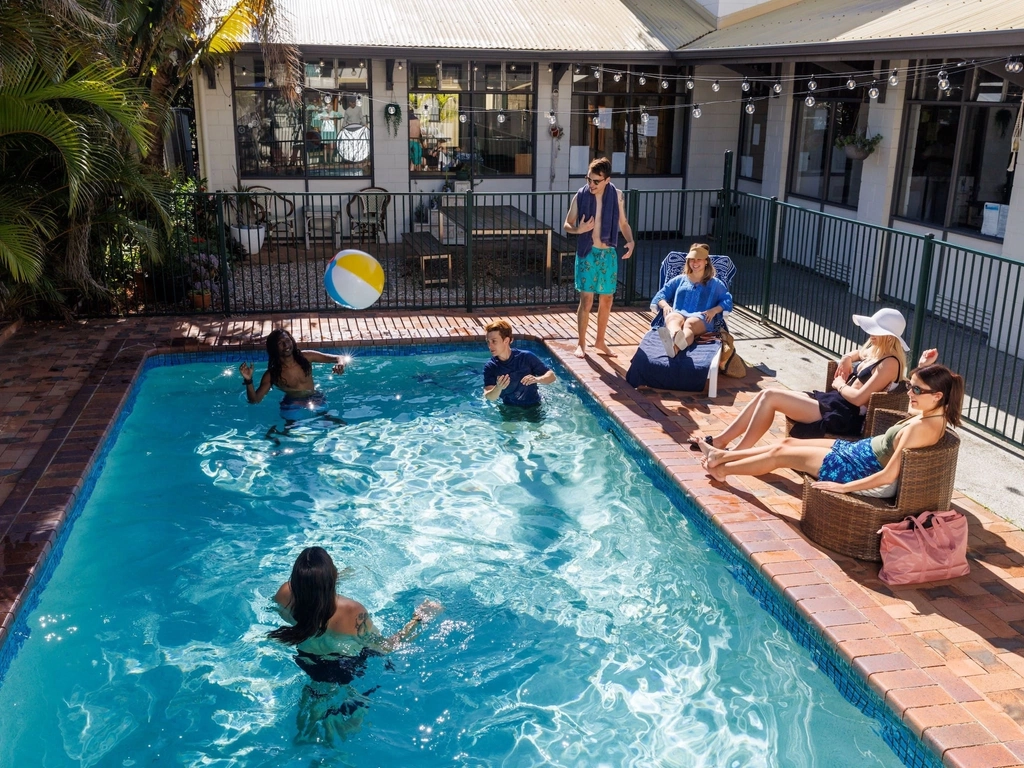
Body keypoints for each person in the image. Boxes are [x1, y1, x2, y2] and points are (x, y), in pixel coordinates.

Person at [699, 363, 962, 497]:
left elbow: (887, 475)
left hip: (856, 469)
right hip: (858, 452)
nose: (909, 393)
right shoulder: (931, 413)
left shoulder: (922, 427)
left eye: (916, 390)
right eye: (910, 387)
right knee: (787, 444)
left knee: (781, 454)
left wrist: (845, 489)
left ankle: (722, 468)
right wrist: (929, 364)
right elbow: (923, 398)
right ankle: (722, 456)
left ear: (938, 396)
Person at [692, 309, 938, 452]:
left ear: (886, 336)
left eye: (874, 332)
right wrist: (846, 358)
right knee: (764, 396)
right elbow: (856, 354)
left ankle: (735, 453)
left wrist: (840, 385)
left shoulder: (889, 363)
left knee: (771, 396)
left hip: (844, 415)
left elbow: (860, 398)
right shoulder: (876, 351)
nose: (869, 335)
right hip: (834, 403)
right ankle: (724, 441)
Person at [269, 547, 443, 744]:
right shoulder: (352, 611)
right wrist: (418, 619)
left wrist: (326, 581)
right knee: (343, 734)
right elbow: (386, 647)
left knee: (307, 727)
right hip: (345, 669)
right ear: (331, 577)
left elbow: (308, 601)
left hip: (307, 662)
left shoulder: (284, 593)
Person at [563, 157, 635, 358]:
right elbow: (567, 224)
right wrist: (579, 229)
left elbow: (624, 224)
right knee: (586, 300)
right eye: (589, 179)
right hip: (587, 253)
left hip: (608, 254)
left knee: (607, 299)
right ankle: (581, 344)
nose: (591, 184)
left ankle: (600, 342)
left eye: (596, 181)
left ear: (607, 180)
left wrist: (630, 241)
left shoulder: (617, 196)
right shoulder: (580, 195)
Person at [239, 329, 346, 424]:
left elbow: (339, 357)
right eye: (280, 343)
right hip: (292, 402)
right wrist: (248, 380)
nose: (286, 345)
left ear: (292, 341)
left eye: (287, 340)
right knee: (292, 431)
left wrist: (340, 364)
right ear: (274, 348)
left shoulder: (307, 357)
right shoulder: (272, 374)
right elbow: (255, 400)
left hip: (314, 397)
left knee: (329, 422)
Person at [649, 243, 732, 358]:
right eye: (692, 259)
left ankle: (674, 347)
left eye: (699, 259)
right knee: (672, 317)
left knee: (689, 323)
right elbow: (660, 295)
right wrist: (665, 306)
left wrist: (714, 310)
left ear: (706, 261)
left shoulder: (716, 283)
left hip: (702, 317)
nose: (695, 263)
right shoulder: (679, 280)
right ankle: (675, 339)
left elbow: (727, 300)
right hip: (679, 313)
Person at [483, 319, 556, 406]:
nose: (489, 346)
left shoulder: (526, 357)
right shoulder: (491, 366)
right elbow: (489, 396)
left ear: (506, 341)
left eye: (494, 341)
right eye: (488, 342)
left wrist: (537, 379)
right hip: (509, 409)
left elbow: (552, 377)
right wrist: (498, 388)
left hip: (533, 406)